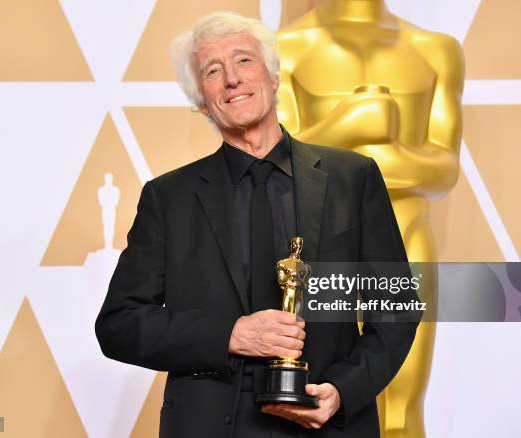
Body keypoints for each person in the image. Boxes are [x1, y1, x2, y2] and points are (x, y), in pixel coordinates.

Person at [95, 11, 418, 438]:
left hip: (327, 423)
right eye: (213, 71)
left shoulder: (352, 177)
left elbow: (395, 306)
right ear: (199, 99)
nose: (232, 79)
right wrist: (231, 334)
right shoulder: (168, 198)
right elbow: (119, 324)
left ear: (272, 74)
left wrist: (343, 391)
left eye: (244, 60)